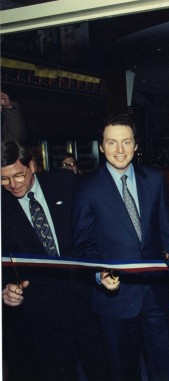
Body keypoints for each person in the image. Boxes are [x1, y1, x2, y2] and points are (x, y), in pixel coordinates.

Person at [72, 115, 169, 381]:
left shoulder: (154, 179)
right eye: (112, 143)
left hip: (156, 294)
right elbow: (83, 243)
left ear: (135, 145)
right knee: (122, 370)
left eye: (126, 142)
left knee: (166, 367)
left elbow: (167, 237)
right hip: (115, 300)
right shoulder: (87, 188)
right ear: (101, 147)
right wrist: (100, 274)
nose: (120, 150)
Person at [1, 140, 107, 381]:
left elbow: (93, 230)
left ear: (32, 165)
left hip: (83, 294)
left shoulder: (64, 183)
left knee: (100, 365)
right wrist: (3, 289)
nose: (12, 185)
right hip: (40, 306)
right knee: (58, 372)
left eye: (18, 175)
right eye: (3, 179)